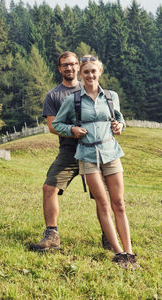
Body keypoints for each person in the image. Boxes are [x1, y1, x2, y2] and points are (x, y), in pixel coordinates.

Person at [52, 55, 139, 269]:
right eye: (86, 72)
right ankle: (119, 254)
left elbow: (119, 119)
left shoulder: (111, 96)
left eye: (94, 71)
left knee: (119, 203)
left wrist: (120, 126)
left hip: (111, 153)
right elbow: (56, 124)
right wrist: (72, 130)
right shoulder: (73, 100)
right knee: (103, 203)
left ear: (99, 72)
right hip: (88, 156)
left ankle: (129, 252)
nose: (90, 75)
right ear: (81, 74)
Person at [29, 52, 111, 252]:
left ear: (79, 68)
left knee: (102, 195)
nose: (69, 68)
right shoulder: (53, 95)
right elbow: (52, 126)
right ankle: (52, 235)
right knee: (49, 187)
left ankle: (109, 237)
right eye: (65, 65)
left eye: (73, 64)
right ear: (59, 69)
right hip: (69, 149)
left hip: (94, 148)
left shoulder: (90, 86)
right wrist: (72, 131)